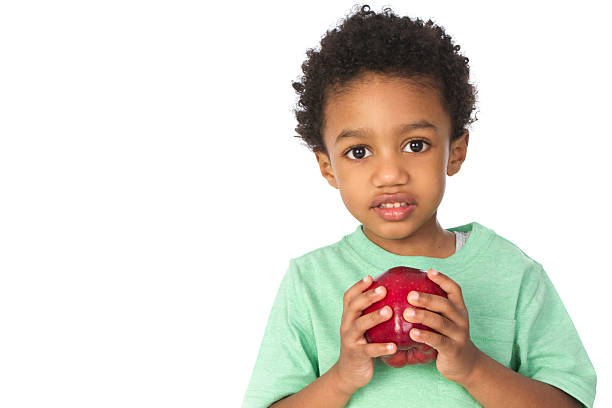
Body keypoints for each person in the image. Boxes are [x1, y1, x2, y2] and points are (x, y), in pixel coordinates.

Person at [242, 4, 597, 408]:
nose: (390, 174)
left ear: (455, 151)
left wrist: (472, 366)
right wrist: (341, 378)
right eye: (359, 151)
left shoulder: (514, 274)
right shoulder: (308, 281)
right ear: (327, 167)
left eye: (416, 145)